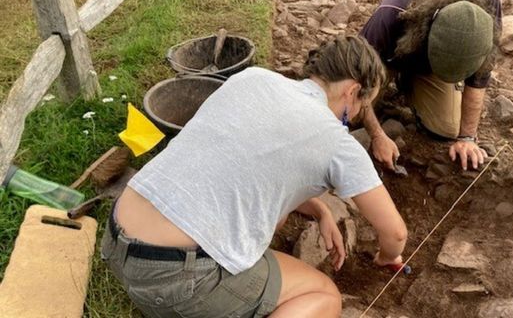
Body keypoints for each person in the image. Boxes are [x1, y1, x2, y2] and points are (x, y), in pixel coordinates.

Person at [100, 35, 408, 318]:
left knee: (277, 217)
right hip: (176, 278)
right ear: (352, 90)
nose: (355, 117)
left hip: (116, 238)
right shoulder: (337, 141)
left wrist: (320, 208)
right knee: (324, 295)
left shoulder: (251, 78)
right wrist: (386, 258)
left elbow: (245, 164)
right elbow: (395, 234)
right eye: (361, 107)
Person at [360, 0, 503, 171]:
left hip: (428, 61)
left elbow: (480, 76)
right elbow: (356, 80)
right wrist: (377, 135)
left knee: (446, 128)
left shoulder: (487, 2)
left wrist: (467, 138)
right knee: (352, 111)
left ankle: (410, 84)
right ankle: (398, 78)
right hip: (388, 58)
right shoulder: (389, 15)